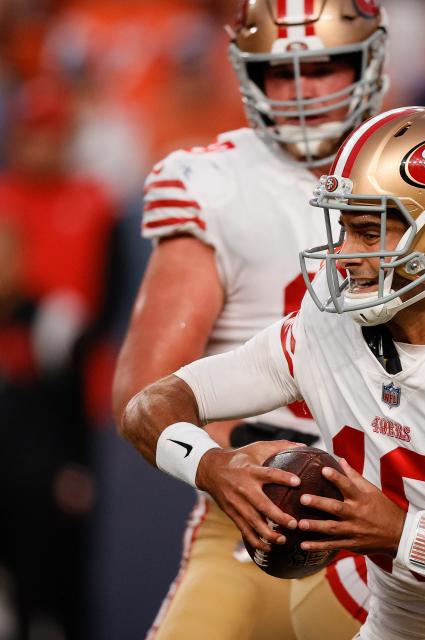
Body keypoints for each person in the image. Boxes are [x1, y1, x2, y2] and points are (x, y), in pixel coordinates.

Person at [119, 107, 425, 639]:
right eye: (344, 228)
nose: (344, 255)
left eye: (368, 233)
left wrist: (401, 532)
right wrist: (212, 465)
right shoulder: (325, 329)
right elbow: (149, 405)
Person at [111, 1, 387, 638]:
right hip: (265, 516)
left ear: (368, 60)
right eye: (279, 72)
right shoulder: (213, 182)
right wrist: (216, 466)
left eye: (323, 66)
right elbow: (141, 393)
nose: (301, 91)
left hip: (412, 510)